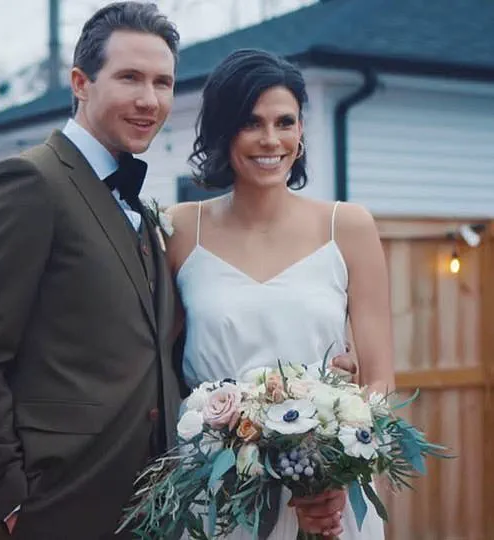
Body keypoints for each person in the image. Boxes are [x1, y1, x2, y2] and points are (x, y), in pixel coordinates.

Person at [0, 3, 183, 539]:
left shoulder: (142, 211)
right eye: (130, 77)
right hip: (53, 506)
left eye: (163, 82)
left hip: (150, 507)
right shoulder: (28, 183)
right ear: (80, 83)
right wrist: (4, 496)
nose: (150, 99)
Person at [166, 49, 396, 539]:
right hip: (217, 491)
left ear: (301, 131)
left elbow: (379, 378)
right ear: (223, 130)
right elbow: (150, 358)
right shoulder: (181, 231)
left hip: (324, 491)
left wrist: (336, 470)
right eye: (251, 122)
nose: (271, 139)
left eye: (285, 122)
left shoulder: (348, 227)